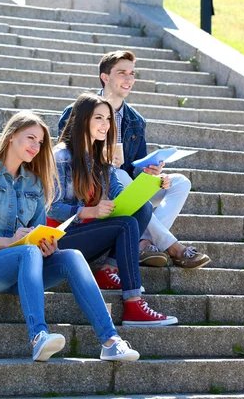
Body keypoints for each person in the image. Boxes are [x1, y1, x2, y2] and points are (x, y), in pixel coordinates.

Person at [0, 110, 140, 362]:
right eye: (31, 138)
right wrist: (12, 241)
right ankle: (39, 337)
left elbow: (37, 232)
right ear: (11, 136)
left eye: (41, 142)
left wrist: (48, 245)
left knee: (71, 256)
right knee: (28, 250)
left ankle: (111, 341)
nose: (36, 146)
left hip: (26, 268)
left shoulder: (34, 183)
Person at [59, 50, 211, 284]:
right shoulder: (76, 111)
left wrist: (152, 174)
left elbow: (137, 167)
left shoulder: (136, 120)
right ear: (105, 77)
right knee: (117, 173)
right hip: (96, 186)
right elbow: (68, 155)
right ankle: (172, 246)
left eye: (132, 73)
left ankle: (144, 243)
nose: (128, 79)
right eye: (122, 73)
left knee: (180, 182)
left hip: (124, 184)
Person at [48, 93, 178, 327]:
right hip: (58, 241)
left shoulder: (101, 160)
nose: (105, 125)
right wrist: (91, 212)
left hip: (88, 237)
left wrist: (154, 182)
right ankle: (133, 304)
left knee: (142, 210)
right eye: (99, 118)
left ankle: (110, 275)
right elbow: (53, 207)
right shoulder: (61, 157)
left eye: (108, 119)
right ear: (82, 120)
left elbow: (121, 196)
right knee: (126, 224)